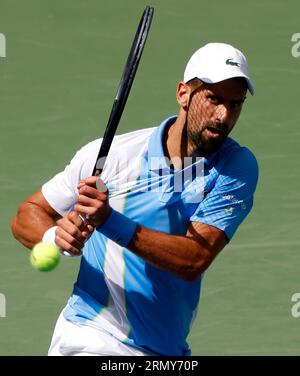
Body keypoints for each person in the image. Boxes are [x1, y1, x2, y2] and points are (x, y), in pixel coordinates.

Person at [12, 42, 258, 356]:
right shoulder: (116, 156)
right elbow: (28, 212)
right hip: (93, 337)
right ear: (183, 93)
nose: (223, 115)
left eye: (235, 104)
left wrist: (109, 221)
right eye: (213, 98)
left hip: (165, 350)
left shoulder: (235, 168)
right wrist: (56, 235)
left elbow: (194, 259)